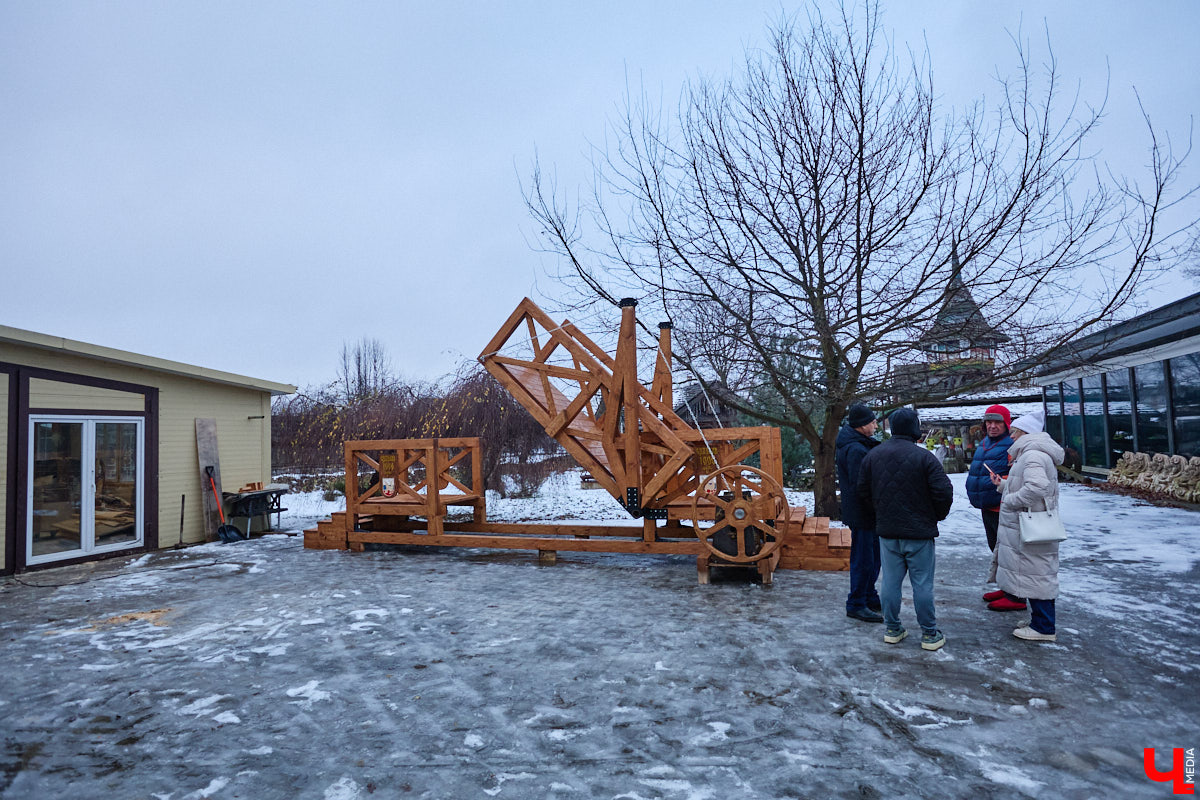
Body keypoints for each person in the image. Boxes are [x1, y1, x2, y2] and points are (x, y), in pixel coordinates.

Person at [857, 407, 954, 651]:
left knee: (890, 582)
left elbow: (862, 491)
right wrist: (935, 516)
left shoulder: (873, 455)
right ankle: (929, 634)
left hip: (888, 532)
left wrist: (880, 513)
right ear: (914, 429)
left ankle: (892, 629)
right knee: (922, 584)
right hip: (919, 533)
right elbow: (943, 491)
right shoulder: (925, 458)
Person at [988, 409, 1065, 642]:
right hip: (1029, 525)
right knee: (1033, 572)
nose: (1011, 436)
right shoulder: (1034, 454)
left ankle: (1044, 627)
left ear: (1026, 433)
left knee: (1036, 574)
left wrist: (1009, 500)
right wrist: (1004, 486)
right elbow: (1030, 485)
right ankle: (1040, 621)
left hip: (1031, 526)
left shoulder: (1032, 456)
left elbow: (1037, 488)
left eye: (1014, 432)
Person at [965, 405, 1025, 612]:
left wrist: (1004, 482)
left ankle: (1017, 596)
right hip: (987, 506)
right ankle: (1007, 587)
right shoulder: (985, 443)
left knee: (1011, 552)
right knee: (997, 550)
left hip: (1004, 507)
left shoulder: (1012, 446)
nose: (992, 426)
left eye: (997, 422)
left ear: (1006, 424)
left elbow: (1020, 474)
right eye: (988, 422)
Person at [836, 402, 882, 623]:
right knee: (865, 559)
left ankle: (869, 595)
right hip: (864, 513)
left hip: (864, 512)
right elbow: (861, 485)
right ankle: (856, 603)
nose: (875, 424)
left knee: (872, 557)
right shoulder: (855, 449)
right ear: (862, 425)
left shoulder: (858, 444)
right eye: (872, 421)